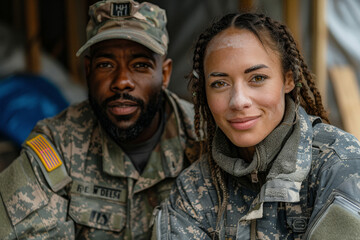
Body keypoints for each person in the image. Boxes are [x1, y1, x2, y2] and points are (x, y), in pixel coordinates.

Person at [0, 0, 199, 239]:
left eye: (140, 65)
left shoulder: (204, 139)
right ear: (88, 70)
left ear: (164, 74)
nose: (122, 81)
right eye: (106, 64)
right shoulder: (58, 143)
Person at [153, 13, 360, 239]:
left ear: (288, 79)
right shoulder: (196, 187)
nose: (239, 101)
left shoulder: (338, 164)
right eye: (220, 83)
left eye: (257, 78)